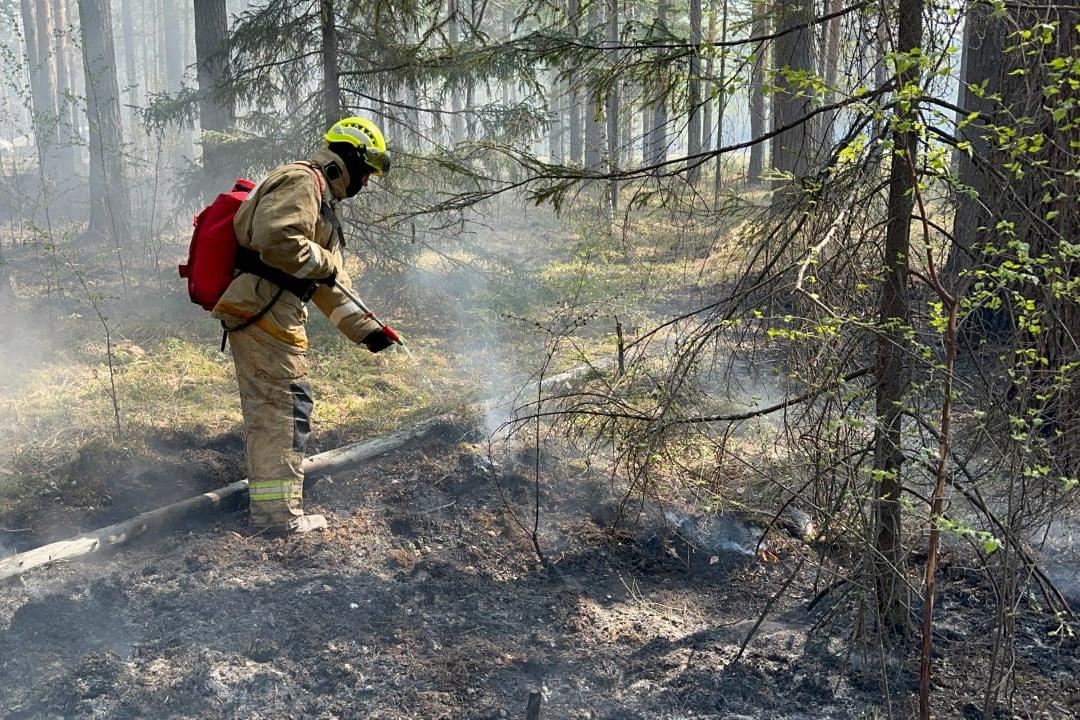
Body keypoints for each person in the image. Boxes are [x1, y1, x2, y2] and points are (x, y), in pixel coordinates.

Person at [213, 116, 398, 535]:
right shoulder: (302, 182)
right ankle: (276, 518)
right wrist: (330, 261)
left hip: (274, 311)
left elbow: (324, 283)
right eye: (366, 171)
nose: (366, 183)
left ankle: (274, 510)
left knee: (285, 407)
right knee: (280, 410)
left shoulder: (319, 198)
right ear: (348, 158)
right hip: (264, 312)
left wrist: (368, 330)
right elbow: (279, 243)